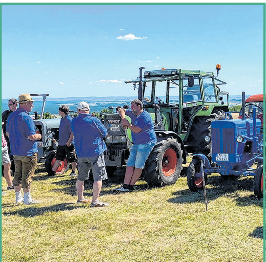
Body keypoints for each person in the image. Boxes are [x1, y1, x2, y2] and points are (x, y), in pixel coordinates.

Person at [71, 101, 109, 207]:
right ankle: (95, 200)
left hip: (81, 152)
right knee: (98, 177)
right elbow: (104, 133)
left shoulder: (74, 121)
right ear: (88, 110)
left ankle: (80, 198)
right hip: (95, 151)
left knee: (81, 177)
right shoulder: (94, 120)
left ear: (78, 110)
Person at [114, 99, 157, 192]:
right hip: (136, 143)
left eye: (133, 106)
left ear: (139, 106)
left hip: (146, 143)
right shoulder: (133, 113)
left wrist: (128, 124)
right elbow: (121, 110)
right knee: (129, 164)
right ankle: (125, 185)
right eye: (131, 106)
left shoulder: (144, 116)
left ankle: (130, 186)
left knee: (138, 165)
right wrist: (123, 119)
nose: (131, 108)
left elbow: (137, 130)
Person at [6, 94, 42, 204]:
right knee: (28, 175)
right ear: (26, 104)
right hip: (28, 151)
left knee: (17, 174)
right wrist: (39, 136)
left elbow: (8, 133)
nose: (32, 105)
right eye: (31, 103)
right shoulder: (26, 117)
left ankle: (18, 197)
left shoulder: (11, 116)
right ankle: (27, 199)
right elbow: (31, 136)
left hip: (16, 151)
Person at [51, 105, 77, 177]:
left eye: (59, 111)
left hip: (68, 143)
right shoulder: (62, 119)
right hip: (61, 142)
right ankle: (53, 171)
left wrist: (69, 142)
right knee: (58, 157)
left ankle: (73, 171)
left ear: (62, 111)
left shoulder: (69, 120)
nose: (58, 112)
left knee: (71, 157)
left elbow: (72, 132)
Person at [2, 98, 17, 172]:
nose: (9, 106)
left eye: (10, 104)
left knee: (15, 154)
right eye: (8, 105)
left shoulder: (19, 113)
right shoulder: (6, 113)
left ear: (15, 104)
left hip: (16, 137)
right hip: (6, 137)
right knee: (7, 153)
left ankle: (14, 170)